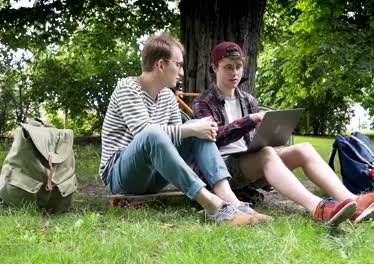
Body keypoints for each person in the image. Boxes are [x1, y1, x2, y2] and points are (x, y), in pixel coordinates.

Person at [193, 41, 374, 227]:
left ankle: (353, 202)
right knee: (266, 154)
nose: (234, 73)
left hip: (251, 163)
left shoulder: (248, 100)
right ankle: (319, 208)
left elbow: (255, 140)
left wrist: (271, 139)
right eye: (228, 67)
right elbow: (214, 138)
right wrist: (251, 120)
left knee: (303, 149)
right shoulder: (203, 102)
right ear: (214, 68)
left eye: (238, 67)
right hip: (223, 171)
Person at [99, 33, 272, 226]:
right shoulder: (128, 88)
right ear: (161, 65)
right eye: (178, 64)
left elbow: (180, 137)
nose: (181, 72)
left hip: (155, 174)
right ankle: (213, 205)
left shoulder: (167, 96)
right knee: (159, 133)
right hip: (122, 176)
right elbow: (143, 133)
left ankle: (231, 201)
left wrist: (197, 130)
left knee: (197, 127)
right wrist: (190, 130)